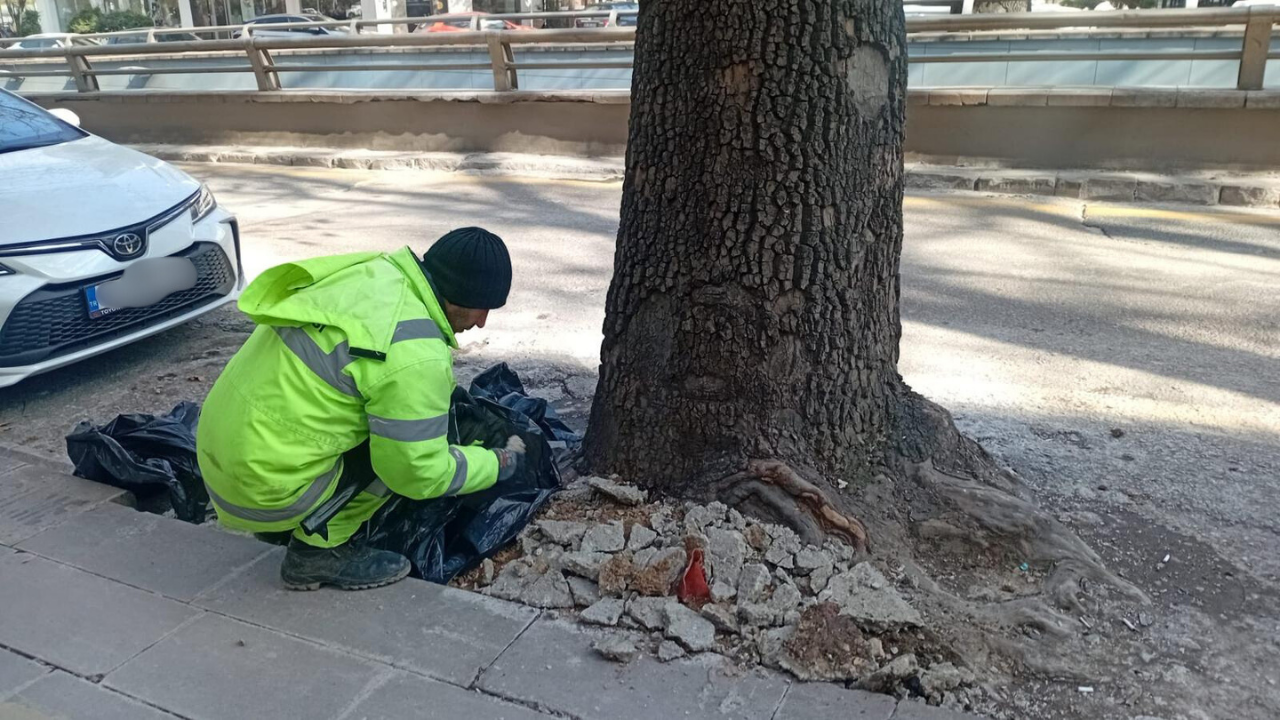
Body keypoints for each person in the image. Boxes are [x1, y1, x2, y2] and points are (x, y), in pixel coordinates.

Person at [197, 227, 525, 591]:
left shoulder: (375, 273)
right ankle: (316, 553)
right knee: (395, 454)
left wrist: (446, 398)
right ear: (460, 298)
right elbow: (417, 473)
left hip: (220, 452)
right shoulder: (415, 354)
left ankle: (290, 516)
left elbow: (375, 371)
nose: (482, 323)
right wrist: (497, 464)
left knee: (391, 423)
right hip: (257, 486)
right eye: (483, 309)